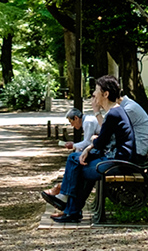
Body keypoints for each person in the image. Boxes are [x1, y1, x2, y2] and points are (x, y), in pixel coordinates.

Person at [44, 75, 135, 223]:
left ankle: (70, 207)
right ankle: (68, 205)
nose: (93, 94)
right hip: (114, 158)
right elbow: (103, 139)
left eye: (96, 91)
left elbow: (101, 141)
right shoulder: (115, 112)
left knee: (79, 168)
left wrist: (88, 148)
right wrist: (89, 147)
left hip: (117, 163)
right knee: (74, 159)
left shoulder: (114, 114)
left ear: (106, 94)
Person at [41, 102, 102, 200]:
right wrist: (75, 147)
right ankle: (63, 189)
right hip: (98, 148)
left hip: (102, 150)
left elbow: (87, 142)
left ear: (76, 118)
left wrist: (73, 146)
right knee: (73, 159)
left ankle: (64, 191)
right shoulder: (87, 121)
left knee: (74, 161)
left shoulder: (88, 122)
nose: (72, 125)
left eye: (71, 122)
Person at [119, 93, 148, 157]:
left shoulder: (129, 110)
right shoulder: (128, 104)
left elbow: (110, 135)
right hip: (136, 149)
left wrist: (98, 112)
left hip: (137, 153)